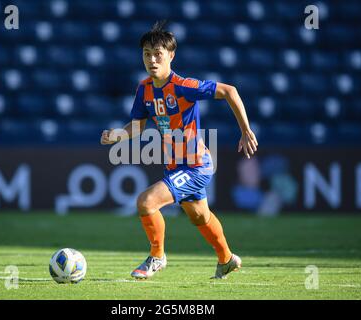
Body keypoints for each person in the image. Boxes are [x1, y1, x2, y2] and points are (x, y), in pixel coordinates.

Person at [100, 21, 258, 279]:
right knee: (199, 217)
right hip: (176, 166)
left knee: (146, 202)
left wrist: (245, 130)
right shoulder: (144, 89)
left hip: (196, 165)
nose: (152, 60)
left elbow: (230, 91)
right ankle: (227, 259)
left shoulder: (183, 86)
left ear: (171, 56)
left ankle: (157, 256)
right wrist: (118, 135)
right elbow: (138, 126)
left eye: (158, 54)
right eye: (146, 54)